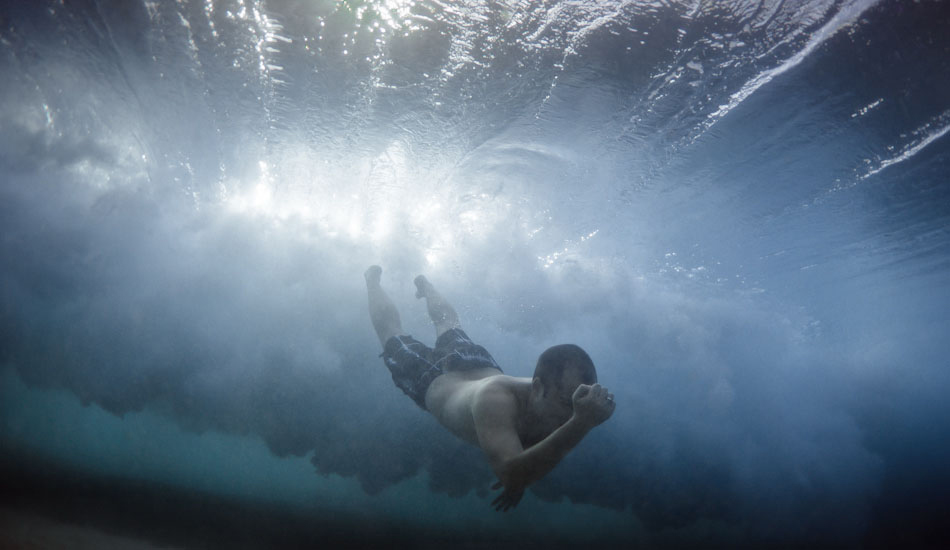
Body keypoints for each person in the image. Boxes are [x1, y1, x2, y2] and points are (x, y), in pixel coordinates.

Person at [364, 265, 615, 511]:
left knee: (448, 322)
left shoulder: (566, 400)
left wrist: (580, 416)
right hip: (431, 381)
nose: (574, 411)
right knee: (391, 334)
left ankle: (427, 288)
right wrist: (582, 423)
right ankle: (371, 281)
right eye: (566, 402)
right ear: (536, 388)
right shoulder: (495, 401)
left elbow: (522, 467)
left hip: (477, 363)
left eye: (580, 400)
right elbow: (512, 474)